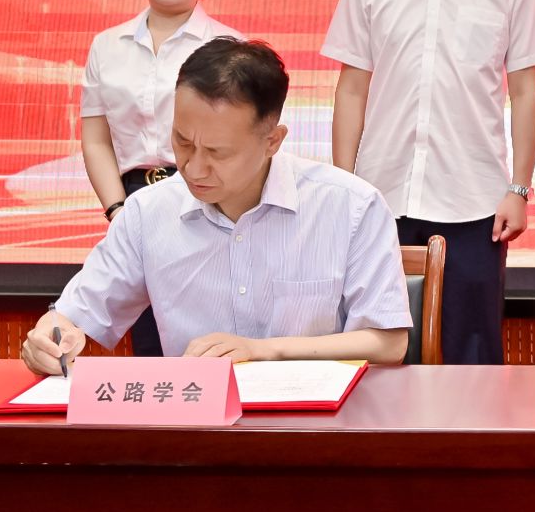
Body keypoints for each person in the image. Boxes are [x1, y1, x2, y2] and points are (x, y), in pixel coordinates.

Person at [21, 39, 409, 372]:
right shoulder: (148, 213)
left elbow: (388, 342)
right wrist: (51, 338)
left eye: (217, 152)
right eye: (182, 142)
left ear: (272, 141)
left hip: (314, 423)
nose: (193, 167)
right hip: (195, 421)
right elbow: (73, 315)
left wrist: (263, 350)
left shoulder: (350, 207)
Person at [324, 0, 535, 364]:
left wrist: (519, 189)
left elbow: (525, 93)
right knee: (379, 351)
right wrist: (344, 187)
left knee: (471, 353)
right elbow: (352, 89)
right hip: (382, 198)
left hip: (475, 202)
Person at [78, 0, 240, 355]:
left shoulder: (229, 48)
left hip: (206, 198)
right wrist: (117, 210)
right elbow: (96, 139)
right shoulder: (107, 46)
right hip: (133, 203)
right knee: (151, 336)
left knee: (209, 329)